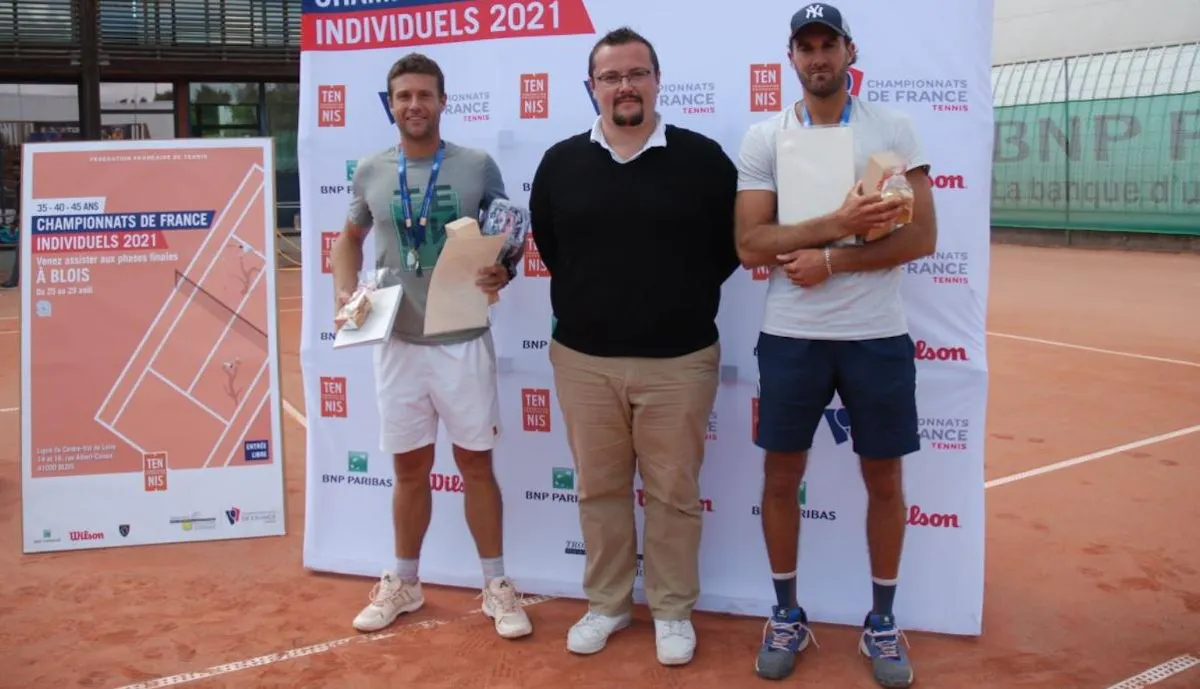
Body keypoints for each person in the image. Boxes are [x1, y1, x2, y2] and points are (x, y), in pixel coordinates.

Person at [733, 3, 937, 686]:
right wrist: (838, 223)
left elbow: (921, 237)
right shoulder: (766, 136)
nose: (817, 57)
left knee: (885, 479)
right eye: (806, 46)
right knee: (780, 477)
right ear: (791, 57)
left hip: (875, 334)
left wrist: (833, 259)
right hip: (792, 334)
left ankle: (882, 620)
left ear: (850, 51)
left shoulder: (892, 129)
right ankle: (786, 612)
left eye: (829, 44)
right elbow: (750, 243)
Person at [528, 26, 741, 666]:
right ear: (591, 87)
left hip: (680, 361)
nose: (625, 85)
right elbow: (553, 247)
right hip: (583, 360)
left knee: (674, 494)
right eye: (611, 76)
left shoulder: (704, 160)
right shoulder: (560, 162)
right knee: (599, 490)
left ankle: (672, 610)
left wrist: (671, 300)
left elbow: (729, 249)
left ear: (656, 81)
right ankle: (608, 604)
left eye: (636, 73)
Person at [329, 52, 532, 641]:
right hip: (396, 338)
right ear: (391, 105)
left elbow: (508, 240)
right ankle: (406, 581)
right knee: (409, 469)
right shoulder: (372, 170)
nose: (414, 105)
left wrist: (503, 271)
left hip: (462, 339)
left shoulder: (477, 166)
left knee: (475, 465)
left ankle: (495, 583)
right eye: (403, 96)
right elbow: (348, 239)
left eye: (424, 94)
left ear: (443, 101)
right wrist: (344, 289)